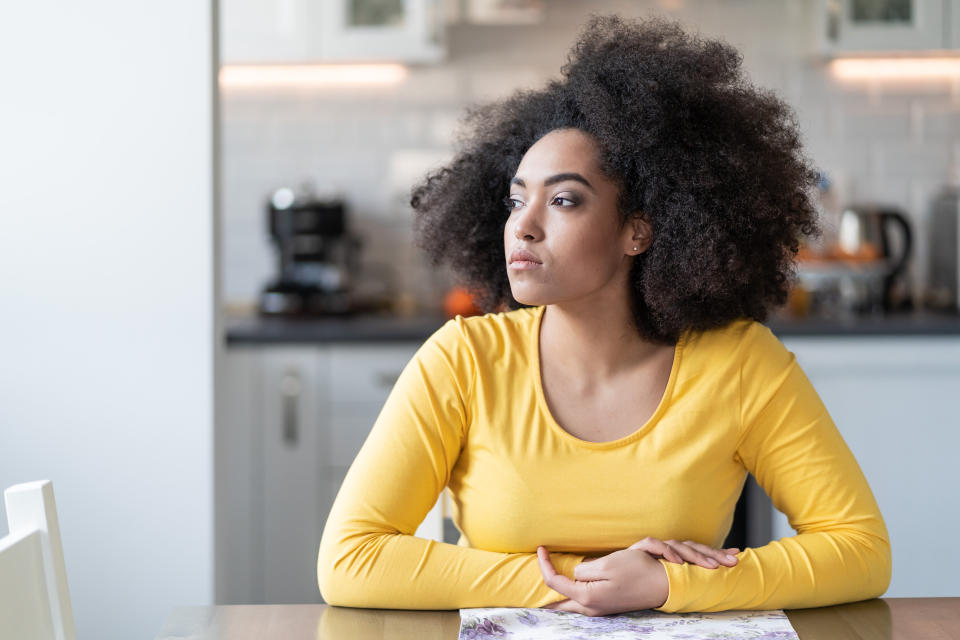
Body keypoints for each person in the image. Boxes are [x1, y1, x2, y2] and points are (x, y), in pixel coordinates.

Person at [317, 13, 891, 615]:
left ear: (638, 231)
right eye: (517, 200)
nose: (524, 225)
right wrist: (592, 581)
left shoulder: (740, 363)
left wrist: (672, 585)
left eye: (563, 200)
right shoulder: (462, 361)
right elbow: (350, 560)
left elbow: (860, 549)